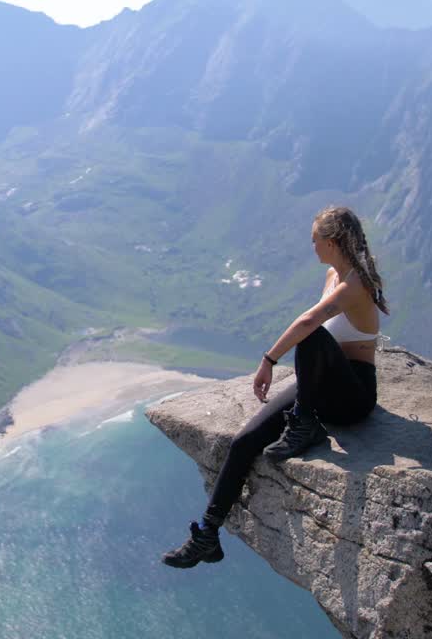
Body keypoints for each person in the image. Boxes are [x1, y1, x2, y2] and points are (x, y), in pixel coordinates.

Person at [162, 205, 389, 569]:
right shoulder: (333, 274)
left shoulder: (354, 283)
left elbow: (310, 322)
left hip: (353, 396)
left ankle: (304, 424)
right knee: (244, 440)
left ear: (331, 242)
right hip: (324, 385)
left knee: (310, 335)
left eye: (315, 240)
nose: (311, 246)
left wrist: (268, 360)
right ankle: (207, 534)